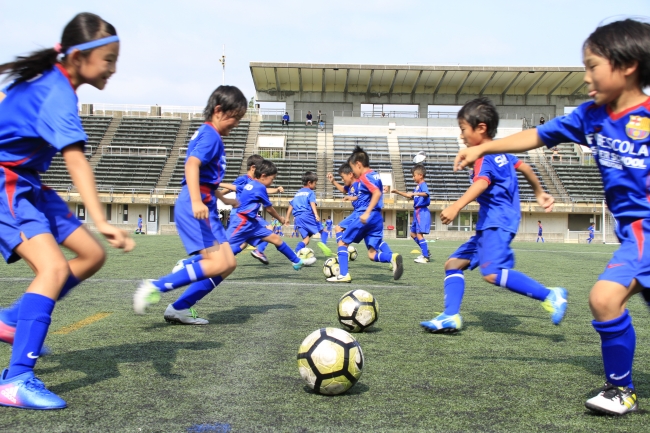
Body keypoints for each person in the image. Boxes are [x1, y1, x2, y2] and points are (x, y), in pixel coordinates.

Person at [452, 19, 650, 416]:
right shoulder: (591, 116)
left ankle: (620, 388)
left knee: (604, 299)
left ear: (626, 66)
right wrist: (482, 149)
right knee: (605, 300)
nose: (586, 75)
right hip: (634, 235)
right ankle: (620, 389)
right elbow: (538, 137)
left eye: (593, 66)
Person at [0, 12, 134, 410]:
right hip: (6, 183)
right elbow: (77, 163)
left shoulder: (57, 85)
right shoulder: (57, 93)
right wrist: (104, 219)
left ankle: (11, 321)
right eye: (108, 59)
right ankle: (16, 380)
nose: (113, 68)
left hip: (29, 183)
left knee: (92, 255)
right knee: (54, 269)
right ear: (77, 57)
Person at [420, 97, 565, 335]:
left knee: (492, 273)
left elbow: (482, 182)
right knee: (453, 264)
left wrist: (456, 206)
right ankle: (450, 316)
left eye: (463, 129)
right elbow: (526, 167)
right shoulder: (503, 153)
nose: (461, 136)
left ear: (481, 128)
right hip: (496, 221)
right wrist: (540, 192)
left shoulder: (484, 157)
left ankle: (551, 295)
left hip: (497, 221)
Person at [133, 85, 245, 326]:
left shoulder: (208, 134)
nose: (236, 125)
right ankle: (156, 286)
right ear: (218, 110)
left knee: (227, 264)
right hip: (196, 204)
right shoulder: (211, 136)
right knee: (216, 263)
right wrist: (196, 200)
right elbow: (192, 165)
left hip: (206, 202)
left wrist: (223, 198)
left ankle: (180, 308)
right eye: (235, 118)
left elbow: (205, 175)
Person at [327, 146, 404, 283]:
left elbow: (377, 193)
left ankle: (344, 274)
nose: (353, 172)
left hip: (364, 214)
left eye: (353, 168)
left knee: (342, 242)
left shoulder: (364, 177)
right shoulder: (375, 175)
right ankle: (392, 257)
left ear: (358, 165)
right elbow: (369, 192)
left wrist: (367, 212)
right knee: (372, 254)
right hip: (377, 218)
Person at [226, 160, 316, 268]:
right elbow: (269, 209)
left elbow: (237, 188)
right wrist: (280, 219)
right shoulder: (260, 187)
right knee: (223, 247)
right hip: (242, 222)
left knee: (276, 239)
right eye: (272, 179)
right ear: (263, 176)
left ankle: (297, 261)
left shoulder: (251, 184)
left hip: (252, 223)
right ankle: (203, 262)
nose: (272, 182)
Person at [217, 154, 284, 265]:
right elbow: (229, 188)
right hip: (241, 214)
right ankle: (259, 251)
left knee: (243, 244)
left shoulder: (256, 183)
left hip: (246, 215)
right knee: (269, 227)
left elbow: (264, 191)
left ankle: (221, 260)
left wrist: (276, 190)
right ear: (253, 168)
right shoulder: (243, 179)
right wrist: (217, 195)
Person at [285, 172, 332, 257]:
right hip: (307, 215)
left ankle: (297, 251)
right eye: (315, 183)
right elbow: (312, 203)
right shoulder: (310, 192)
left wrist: (287, 218)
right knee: (324, 231)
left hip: (298, 218)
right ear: (310, 182)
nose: (315, 185)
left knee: (306, 239)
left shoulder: (297, 193)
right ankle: (323, 244)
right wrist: (316, 214)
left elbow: (291, 205)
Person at [391, 164, 431, 263]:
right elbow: (409, 195)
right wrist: (397, 192)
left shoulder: (423, 185)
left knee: (419, 234)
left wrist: (414, 194)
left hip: (422, 211)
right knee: (413, 234)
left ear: (420, 175)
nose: (413, 177)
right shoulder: (417, 187)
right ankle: (425, 251)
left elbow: (426, 194)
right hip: (417, 212)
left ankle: (425, 257)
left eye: (414, 175)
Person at [327, 163, 360, 251]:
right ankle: (391, 257)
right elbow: (343, 190)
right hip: (359, 212)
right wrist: (333, 181)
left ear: (350, 174)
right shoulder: (350, 186)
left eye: (342, 177)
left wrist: (352, 197)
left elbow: (364, 195)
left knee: (338, 228)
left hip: (360, 212)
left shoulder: (359, 184)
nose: (342, 179)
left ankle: (342, 252)